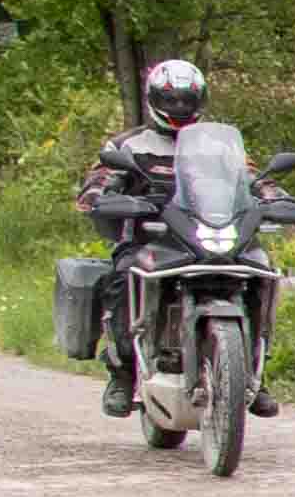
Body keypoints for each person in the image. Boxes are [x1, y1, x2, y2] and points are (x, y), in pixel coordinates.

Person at [72, 56, 274, 415]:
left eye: (187, 100)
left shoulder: (221, 144)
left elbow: (253, 180)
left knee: (262, 271)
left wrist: (276, 198)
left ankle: (254, 371)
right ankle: (122, 373)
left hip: (211, 235)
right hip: (151, 237)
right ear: (154, 100)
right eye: (172, 100)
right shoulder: (128, 144)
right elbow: (99, 179)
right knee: (123, 275)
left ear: (201, 100)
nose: (180, 107)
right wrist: (100, 196)